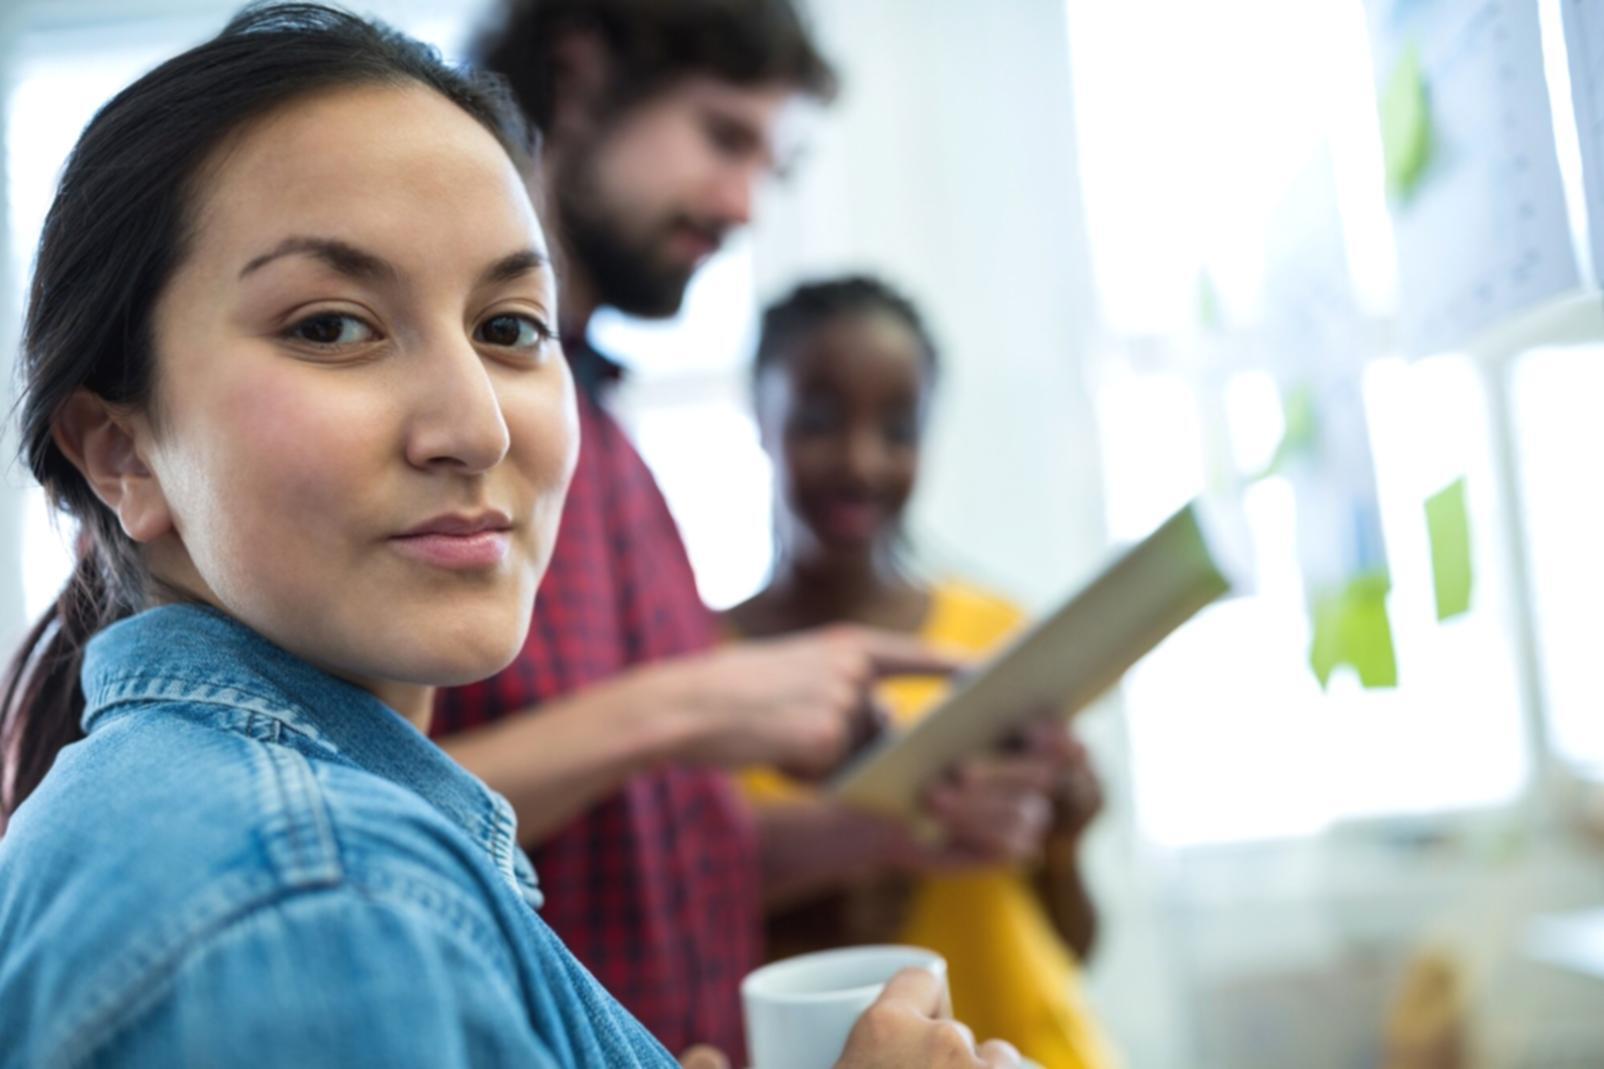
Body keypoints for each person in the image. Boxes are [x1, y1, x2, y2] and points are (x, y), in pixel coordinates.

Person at [0, 7, 1024, 1068]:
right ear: (122, 454)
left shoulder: (277, 854)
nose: (479, 426)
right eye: (332, 326)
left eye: (510, 328)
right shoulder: (313, 898)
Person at [433, 1, 1079, 1058]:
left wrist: (897, 828)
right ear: (581, 76)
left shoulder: (613, 453)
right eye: (721, 135)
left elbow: (652, 857)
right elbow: (361, 813)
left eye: (765, 165)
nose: (742, 205)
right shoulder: (452, 438)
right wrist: (697, 703)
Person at [727, 276, 1124, 1069]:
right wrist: (877, 845)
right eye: (819, 420)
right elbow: (713, 949)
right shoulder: (705, 675)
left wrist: (1065, 837)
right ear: (760, 419)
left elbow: (1074, 944)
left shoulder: (993, 637)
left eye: (899, 429)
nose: (860, 460)